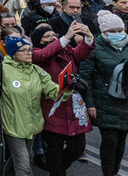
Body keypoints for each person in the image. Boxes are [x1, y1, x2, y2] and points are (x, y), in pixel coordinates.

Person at [30, 22, 94, 176]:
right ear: (39, 40)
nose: (52, 37)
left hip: (71, 104)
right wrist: (66, 37)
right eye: (47, 36)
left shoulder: (65, 50)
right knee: (54, 150)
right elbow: (45, 54)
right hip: (51, 106)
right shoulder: (35, 52)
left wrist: (89, 38)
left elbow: (80, 53)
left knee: (77, 147)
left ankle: (56, 170)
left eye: (53, 34)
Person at [0, 36, 59, 176]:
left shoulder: (36, 70)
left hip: (33, 124)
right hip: (13, 125)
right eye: (23, 50)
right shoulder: (1, 70)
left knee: (20, 159)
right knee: (24, 165)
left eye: (30, 50)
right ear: (13, 53)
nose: (29, 53)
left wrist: (66, 87)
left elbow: (52, 90)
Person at [79, 10, 128, 176]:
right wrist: (89, 103)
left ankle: (114, 172)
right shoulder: (94, 48)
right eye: (112, 32)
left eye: (120, 30)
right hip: (105, 102)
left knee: (121, 142)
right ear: (103, 32)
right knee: (110, 141)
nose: (117, 34)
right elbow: (86, 78)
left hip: (125, 103)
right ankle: (108, 173)